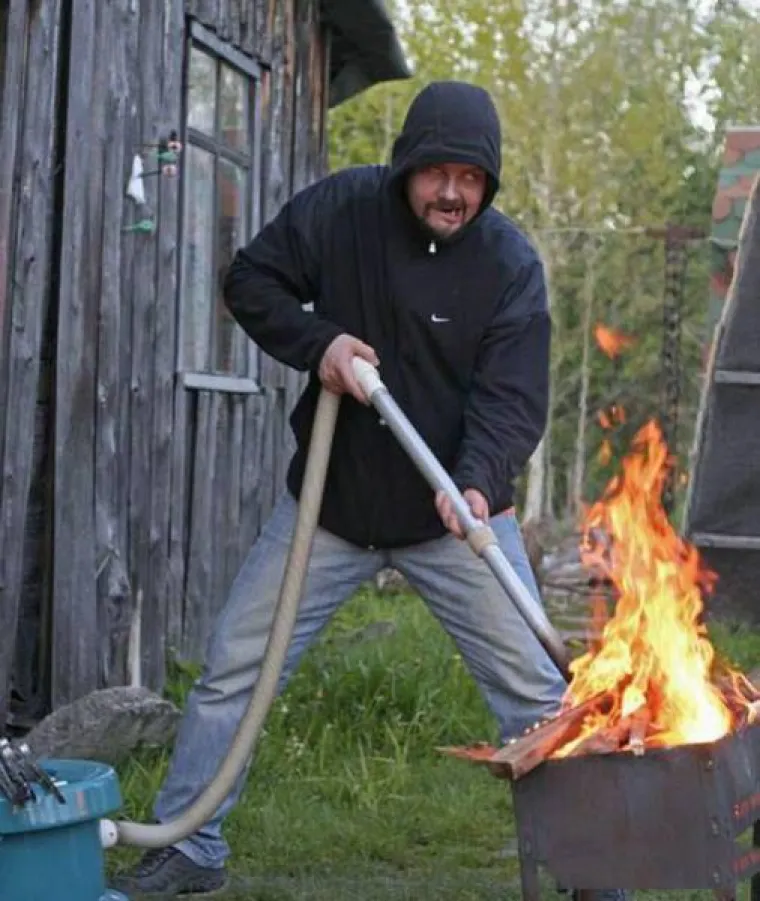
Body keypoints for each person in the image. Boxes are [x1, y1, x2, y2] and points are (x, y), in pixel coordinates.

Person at [112, 80, 624, 901]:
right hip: (332, 504)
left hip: (455, 521)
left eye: (469, 177)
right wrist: (320, 344)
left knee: (539, 693)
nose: (450, 192)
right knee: (234, 669)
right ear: (405, 169)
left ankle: (592, 870)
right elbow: (252, 282)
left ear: (489, 183)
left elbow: (513, 401)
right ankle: (191, 845)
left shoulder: (510, 266)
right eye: (434, 173)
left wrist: (476, 482)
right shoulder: (344, 210)